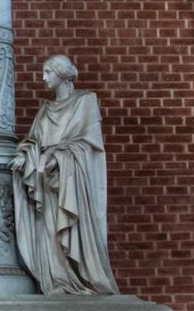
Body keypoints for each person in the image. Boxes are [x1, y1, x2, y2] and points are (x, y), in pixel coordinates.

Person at [11, 55, 118, 295]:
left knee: (71, 228)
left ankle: (82, 278)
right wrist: (24, 156)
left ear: (62, 73)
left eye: (48, 72)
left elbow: (90, 145)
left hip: (71, 179)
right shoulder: (45, 110)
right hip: (46, 181)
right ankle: (59, 280)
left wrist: (59, 156)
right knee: (50, 232)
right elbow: (33, 142)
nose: (44, 78)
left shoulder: (86, 102)